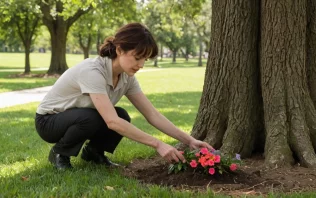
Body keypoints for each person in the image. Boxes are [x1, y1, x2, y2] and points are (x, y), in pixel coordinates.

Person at [34, 23, 213, 170]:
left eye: (145, 59)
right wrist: (158, 144)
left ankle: (94, 153)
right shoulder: (93, 71)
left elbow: (152, 115)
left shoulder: (127, 77)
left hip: (80, 116)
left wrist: (190, 141)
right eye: (137, 58)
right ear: (119, 50)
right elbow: (111, 123)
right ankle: (60, 153)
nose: (141, 64)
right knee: (101, 118)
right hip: (48, 121)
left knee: (121, 115)